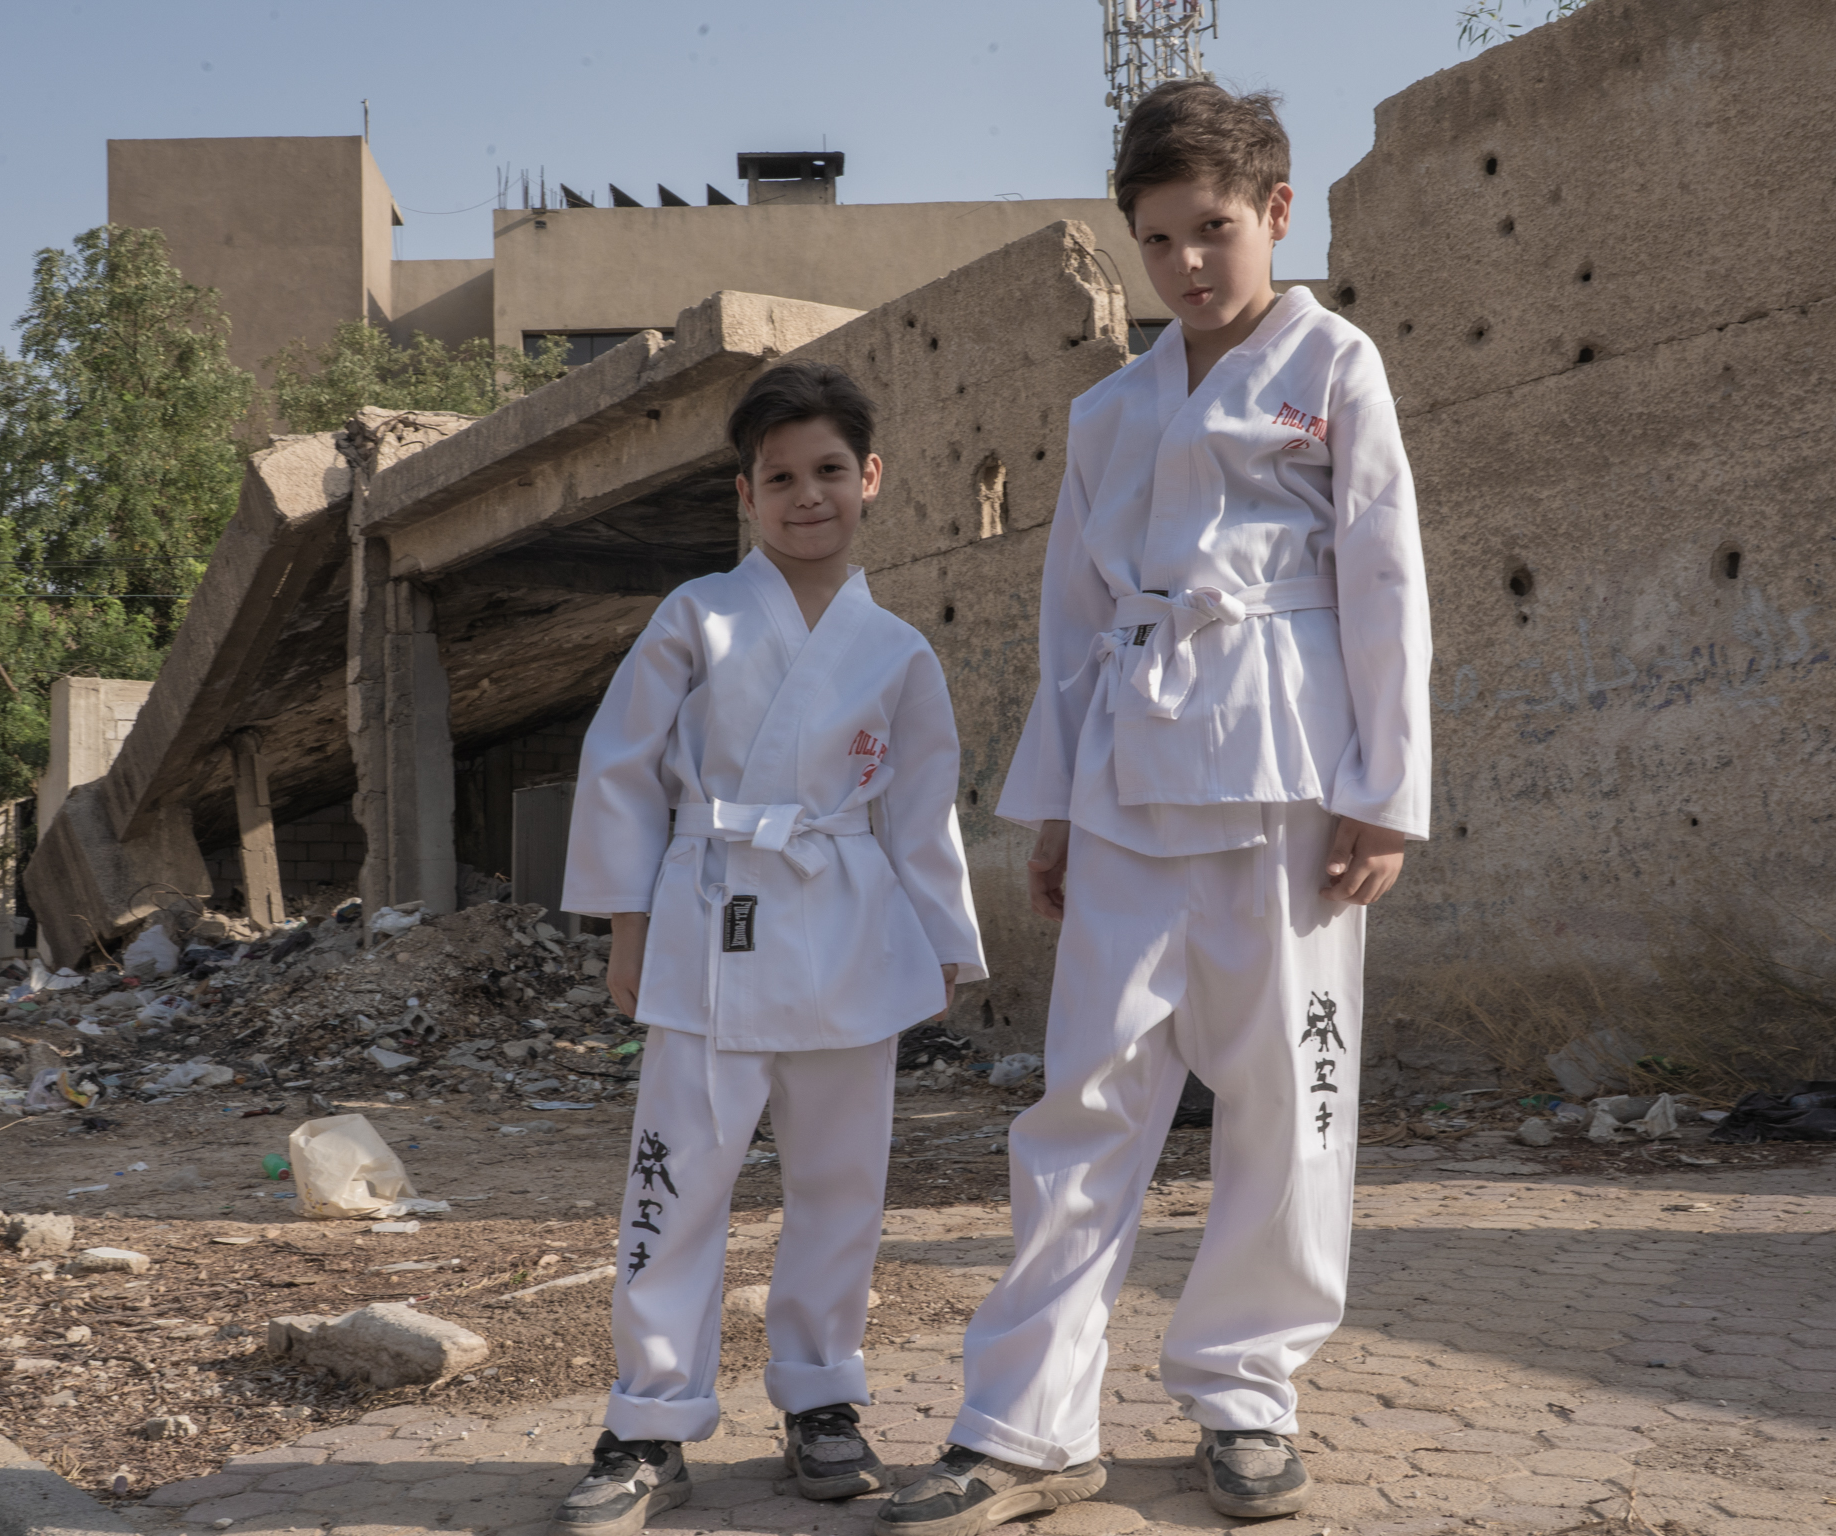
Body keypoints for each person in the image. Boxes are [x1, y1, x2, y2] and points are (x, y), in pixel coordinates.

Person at [873, 79, 1431, 1536]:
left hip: (1287, 786)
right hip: (1128, 783)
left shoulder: (1335, 363)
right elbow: (1073, 625)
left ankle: (1247, 1393)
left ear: (1277, 216)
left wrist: (1385, 794)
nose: (1191, 262)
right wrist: (1054, 806)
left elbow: (1384, 581)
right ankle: (1023, 1422)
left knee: (1286, 1106)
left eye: (1217, 230)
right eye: (1163, 238)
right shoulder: (1110, 409)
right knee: (1085, 1103)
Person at [550, 361, 989, 1536]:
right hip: (709, 918)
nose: (808, 497)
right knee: (677, 1182)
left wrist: (944, 939)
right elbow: (622, 772)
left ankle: (821, 1397)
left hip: (850, 928)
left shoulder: (896, 649)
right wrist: (626, 929)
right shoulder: (696, 615)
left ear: (872, 479)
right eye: (781, 478)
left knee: (841, 1186)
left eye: (830, 472)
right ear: (746, 495)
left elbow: (922, 807)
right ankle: (648, 1419)